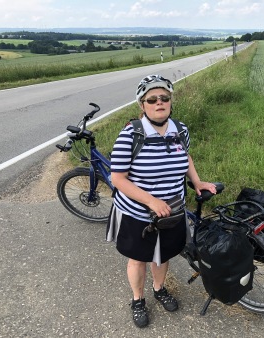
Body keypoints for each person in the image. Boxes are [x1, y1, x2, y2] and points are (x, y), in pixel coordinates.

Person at [108, 74, 217, 328]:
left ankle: (159, 289)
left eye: (164, 97)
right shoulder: (130, 135)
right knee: (138, 258)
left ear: (170, 101)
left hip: (172, 213)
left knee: (163, 256)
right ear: (142, 105)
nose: (159, 102)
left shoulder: (181, 130)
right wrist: (150, 201)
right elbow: (118, 179)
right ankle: (138, 299)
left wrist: (197, 181)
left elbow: (186, 158)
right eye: (152, 99)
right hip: (138, 214)